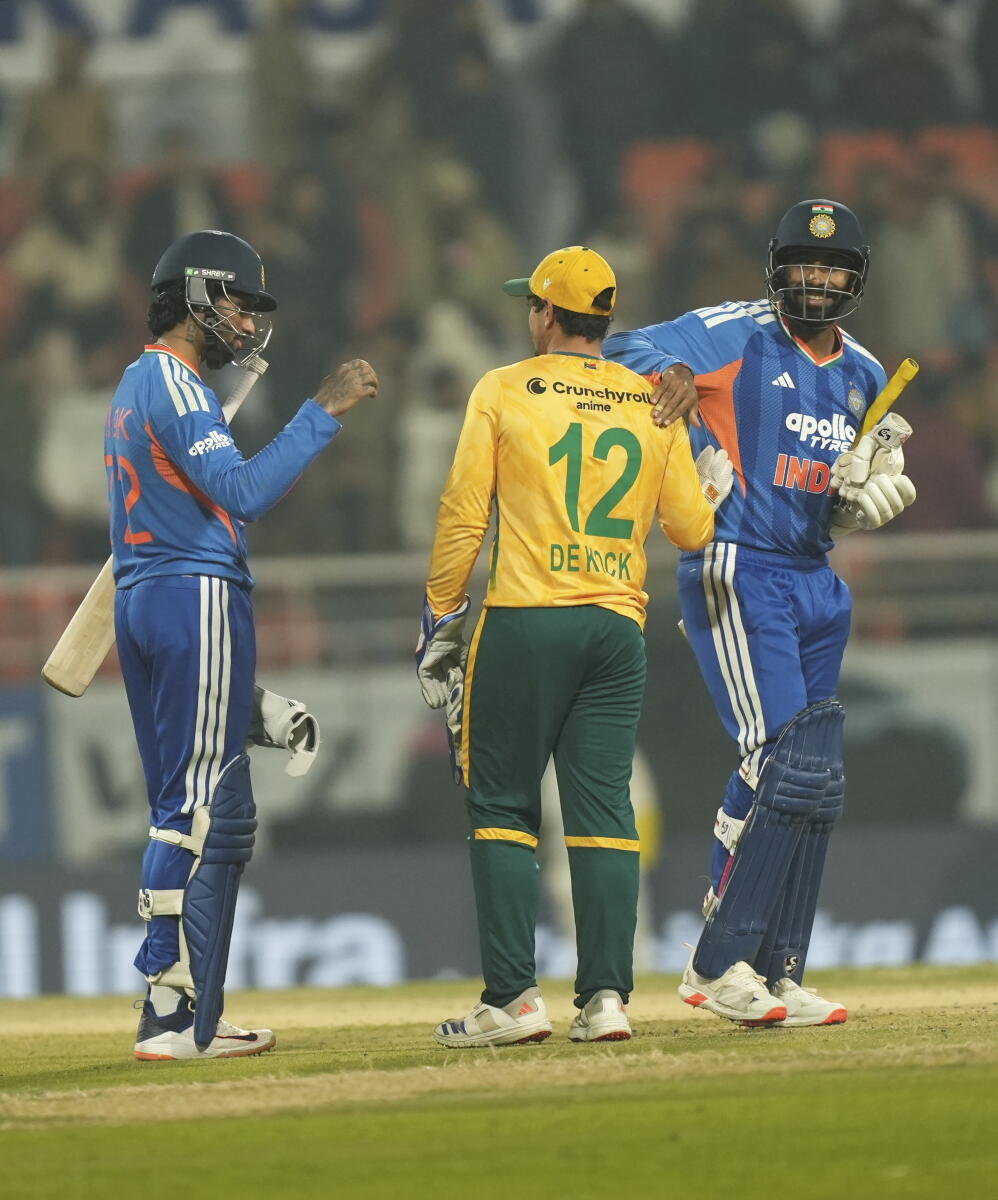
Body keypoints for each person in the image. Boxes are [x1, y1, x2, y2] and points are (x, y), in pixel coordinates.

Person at [604, 200, 916, 1027]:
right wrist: (671, 389)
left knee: (817, 780)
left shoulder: (866, 373)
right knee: (782, 758)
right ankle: (716, 962)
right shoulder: (735, 331)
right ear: (777, 270)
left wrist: (861, 500)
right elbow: (621, 348)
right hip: (739, 564)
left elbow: (854, 484)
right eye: (804, 266)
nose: (817, 279)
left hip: (816, 576)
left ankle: (778, 967)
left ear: (856, 279)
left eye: (833, 268)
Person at [415, 246, 730, 1047]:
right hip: (616, 629)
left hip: (526, 619)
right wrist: (709, 470)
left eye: (534, 305)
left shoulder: (504, 388)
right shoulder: (651, 399)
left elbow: (462, 515)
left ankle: (514, 1001)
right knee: (603, 814)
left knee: (501, 808)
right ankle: (607, 1001)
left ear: (547, 315)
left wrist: (439, 613)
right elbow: (693, 529)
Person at [105, 229, 378, 1059]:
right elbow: (245, 491)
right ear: (191, 295)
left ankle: (192, 1012)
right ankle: (173, 1013)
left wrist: (244, 702)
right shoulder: (177, 384)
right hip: (194, 594)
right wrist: (320, 411)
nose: (245, 320)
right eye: (234, 300)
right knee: (196, 812)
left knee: (214, 811)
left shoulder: (132, 384)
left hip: (150, 597)